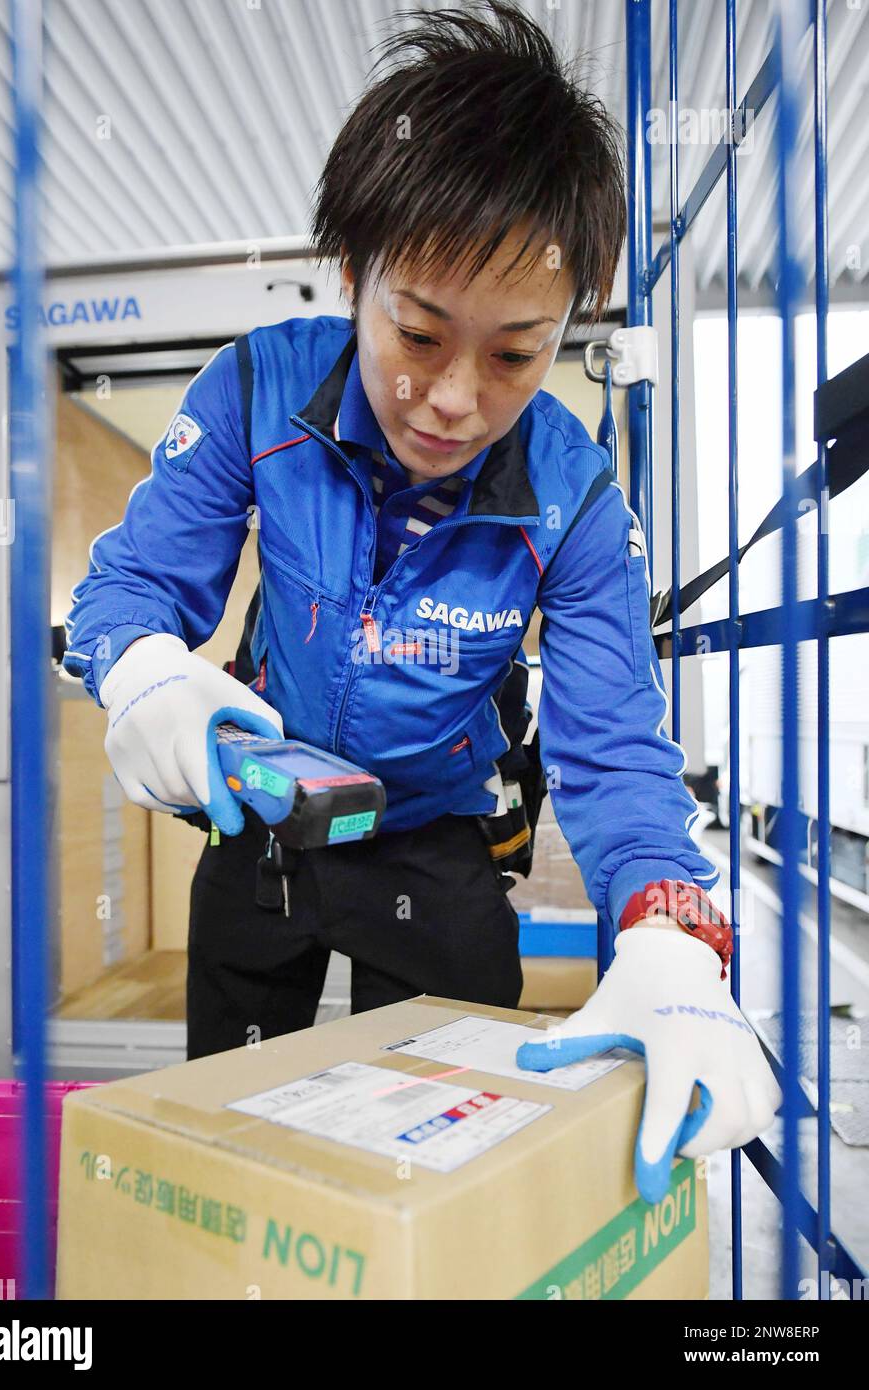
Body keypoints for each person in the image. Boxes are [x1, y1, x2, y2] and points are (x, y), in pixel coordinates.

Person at [63, 1, 781, 1204]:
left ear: (565, 328)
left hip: (440, 846)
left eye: (514, 355)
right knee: (238, 1158)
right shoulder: (255, 388)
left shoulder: (577, 495)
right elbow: (130, 586)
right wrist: (137, 668)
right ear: (355, 275)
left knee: (445, 1167)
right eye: (417, 331)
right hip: (266, 825)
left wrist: (669, 932)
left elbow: (613, 755)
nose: (452, 398)